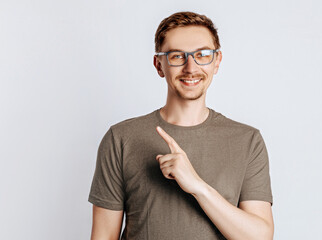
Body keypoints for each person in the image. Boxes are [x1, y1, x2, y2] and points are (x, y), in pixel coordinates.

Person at [88, 11, 274, 240]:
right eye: (177, 56)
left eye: (202, 54)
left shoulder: (247, 140)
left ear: (217, 62)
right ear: (159, 65)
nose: (190, 67)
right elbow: (103, 236)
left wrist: (197, 186)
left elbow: (260, 237)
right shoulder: (121, 138)